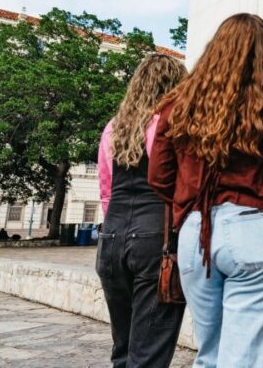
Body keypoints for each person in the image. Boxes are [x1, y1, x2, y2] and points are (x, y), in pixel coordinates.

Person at [148, 13, 263, 368]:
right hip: (256, 230)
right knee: (244, 361)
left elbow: (158, 176)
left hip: (196, 234)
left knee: (210, 356)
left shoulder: (177, 104)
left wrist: (188, 203)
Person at [95, 53, 187, 368]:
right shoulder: (169, 123)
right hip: (153, 240)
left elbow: (106, 190)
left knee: (123, 351)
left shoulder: (113, 127)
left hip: (111, 238)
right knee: (148, 355)